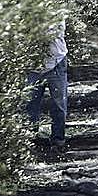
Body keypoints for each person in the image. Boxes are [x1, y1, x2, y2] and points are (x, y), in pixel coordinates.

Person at [27, 17, 68, 154]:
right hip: (32, 65)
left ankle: (58, 141)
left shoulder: (57, 6)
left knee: (59, 104)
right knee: (30, 105)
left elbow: (52, 31)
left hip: (56, 61)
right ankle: (29, 140)